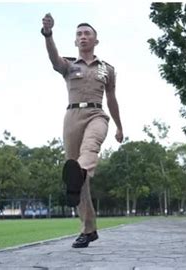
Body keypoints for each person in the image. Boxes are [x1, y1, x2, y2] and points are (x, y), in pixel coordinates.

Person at [42, 13, 123, 248]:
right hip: (72, 117)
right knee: (79, 183)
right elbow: (53, 59)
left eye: (87, 33)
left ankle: (81, 168)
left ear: (96, 41)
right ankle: (88, 230)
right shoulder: (68, 65)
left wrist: (119, 125)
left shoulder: (107, 69)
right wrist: (48, 34)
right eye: (79, 34)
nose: (83, 37)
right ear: (75, 42)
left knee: (90, 148)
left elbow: (112, 99)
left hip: (97, 114)